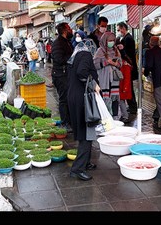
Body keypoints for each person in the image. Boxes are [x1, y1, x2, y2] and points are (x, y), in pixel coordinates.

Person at [67, 39, 99, 181]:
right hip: (82, 99)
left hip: (74, 97)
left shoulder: (76, 56)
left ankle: (85, 162)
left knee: (84, 130)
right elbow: (82, 73)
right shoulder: (85, 55)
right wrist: (93, 85)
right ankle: (77, 169)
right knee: (87, 133)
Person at [144, 35, 161, 133]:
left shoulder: (149, 52)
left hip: (158, 81)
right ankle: (156, 116)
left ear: (150, 43)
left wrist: (145, 72)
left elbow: (149, 65)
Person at [93, 31, 122, 119]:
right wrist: (106, 62)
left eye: (113, 40)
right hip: (103, 79)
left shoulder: (116, 50)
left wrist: (115, 64)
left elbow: (120, 64)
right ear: (105, 40)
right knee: (104, 97)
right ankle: (105, 117)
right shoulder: (100, 51)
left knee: (115, 97)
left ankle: (115, 117)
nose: (111, 42)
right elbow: (95, 64)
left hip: (114, 79)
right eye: (109, 40)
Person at [52, 23, 74, 131]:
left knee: (68, 98)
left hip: (66, 74)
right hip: (60, 75)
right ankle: (65, 122)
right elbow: (59, 59)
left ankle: (69, 121)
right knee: (64, 99)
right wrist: (71, 57)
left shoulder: (67, 42)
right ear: (65, 31)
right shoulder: (58, 43)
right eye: (69, 29)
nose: (71, 31)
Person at [117, 22, 138, 114]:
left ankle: (133, 106)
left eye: (119, 29)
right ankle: (132, 105)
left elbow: (128, 54)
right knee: (128, 86)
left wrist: (121, 49)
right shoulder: (126, 38)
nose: (119, 31)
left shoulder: (128, 38)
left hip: (128, 66)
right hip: (127, 66)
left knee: (128, 87)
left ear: (123, 28)